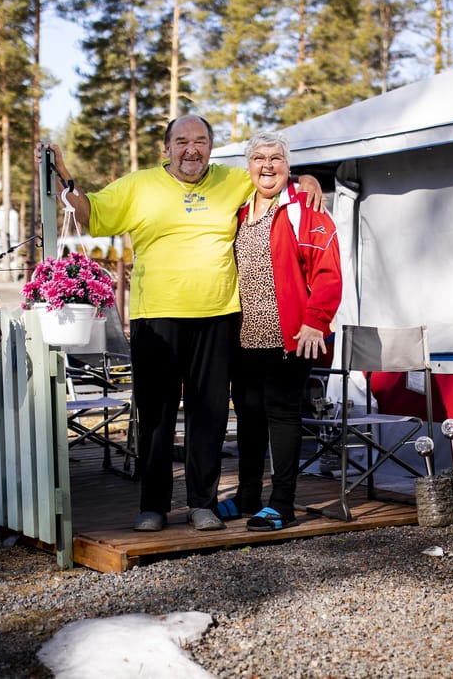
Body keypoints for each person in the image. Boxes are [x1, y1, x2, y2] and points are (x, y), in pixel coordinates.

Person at [38, 116, 322, 533]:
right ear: (166, 148)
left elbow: (272, 179)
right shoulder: (138, 186)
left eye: (201, 141)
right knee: (156, 414)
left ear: (211, 147)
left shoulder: (233, 180)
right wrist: (64, 174)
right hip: (157, 317)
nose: (192, 149)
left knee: (208, 415)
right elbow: (89, 212)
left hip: (218, 317)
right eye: (183, 141)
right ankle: (153, 506)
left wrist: (308, 179)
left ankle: (201, 504)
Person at [218, 130, 342, 532]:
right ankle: (248, 495)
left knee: (283, 416)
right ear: (247, 166)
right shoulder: (237, 208)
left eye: (276, 158)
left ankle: (282, 503)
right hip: (244, 336)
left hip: (292, 335)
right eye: (258, 158)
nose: (267, 165)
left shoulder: (305, 207)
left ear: (289, 166)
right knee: (249, 416)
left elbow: (328, 270)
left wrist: (315, 322)